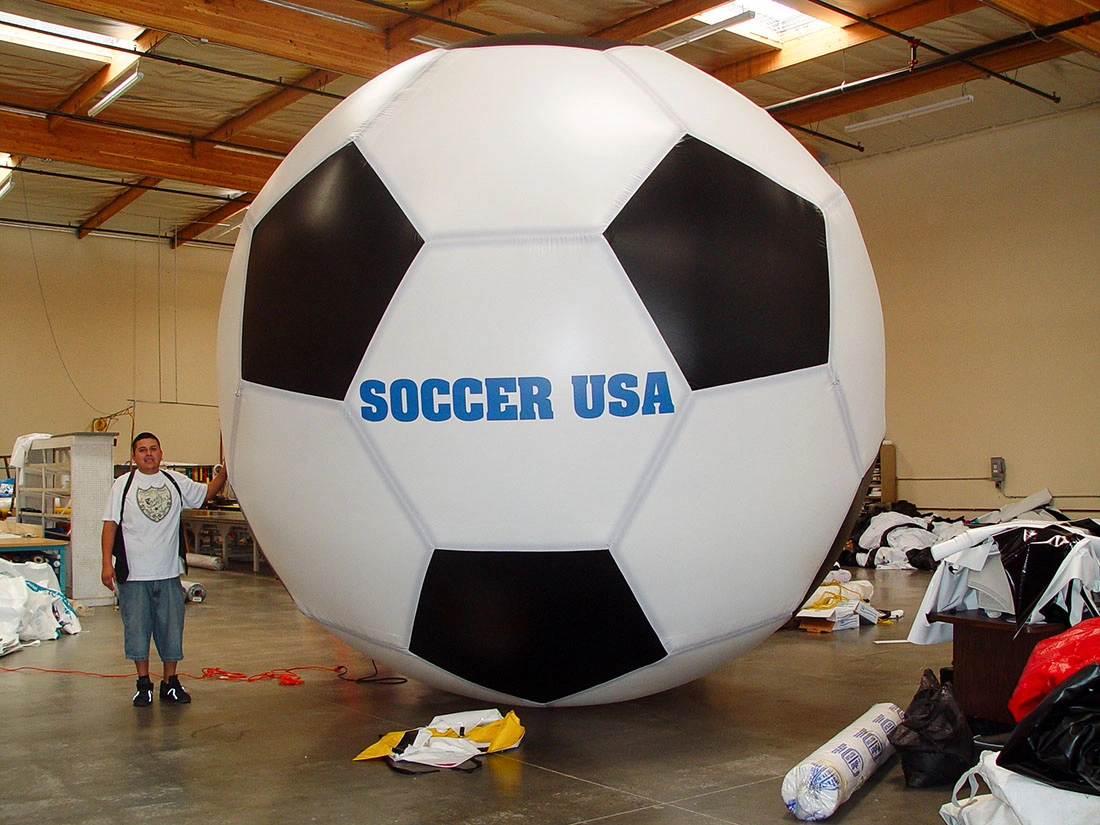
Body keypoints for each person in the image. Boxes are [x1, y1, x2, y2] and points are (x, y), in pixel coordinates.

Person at [101, 432, 227, 707]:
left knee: (171, 630)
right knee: (137, 630)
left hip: (169, 573)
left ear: (161, 453)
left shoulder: (174, 481)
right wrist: (105, 564)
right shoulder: (122, 485)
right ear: (134, 456)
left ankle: (170, 683)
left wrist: (227, 471)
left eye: (153, 449)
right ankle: (143, 683)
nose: (148, 454)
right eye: (142, 450)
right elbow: (110, 525)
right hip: (133, 576)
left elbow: (205, 493)